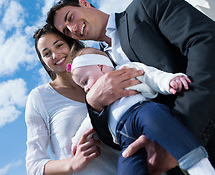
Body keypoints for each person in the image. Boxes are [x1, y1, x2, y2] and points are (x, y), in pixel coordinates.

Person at [46, 0, 215, 170]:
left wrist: (178, 135)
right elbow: (113, 133)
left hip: (204, 127)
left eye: (70, 18)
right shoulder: (97, 66)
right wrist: (95, 105)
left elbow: (205, 42)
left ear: (84, 3)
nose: (72, 29)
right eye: (66, 31)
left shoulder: (144, 5)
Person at [25, 24, 177, 175]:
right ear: (43, 61)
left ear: (72, 44)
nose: (55, 55)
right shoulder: (40, 97)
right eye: (46, 53)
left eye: (59, 45)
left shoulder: (105, 74)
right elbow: (34, 166)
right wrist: (72, 164)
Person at [68, 46, 214, 175]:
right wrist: (77, 139)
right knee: (126, 162)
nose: (86, 89)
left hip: (140, 112)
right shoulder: (98, 98)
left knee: (155, 117)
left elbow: (152, 76)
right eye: (83, 87)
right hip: (124, 138)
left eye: (85, 81)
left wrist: (170, 81)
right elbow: (89, 121)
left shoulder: (125, 70)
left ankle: (198, 165)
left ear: (101, 67)